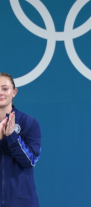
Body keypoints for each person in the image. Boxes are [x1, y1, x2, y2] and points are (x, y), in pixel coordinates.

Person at [0, 73, 41, 207]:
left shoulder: (28, 122)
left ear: (14, 92)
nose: (1, 93)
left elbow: (30, 160)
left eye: (5, 89)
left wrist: (12, 136)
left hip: (21, 201)